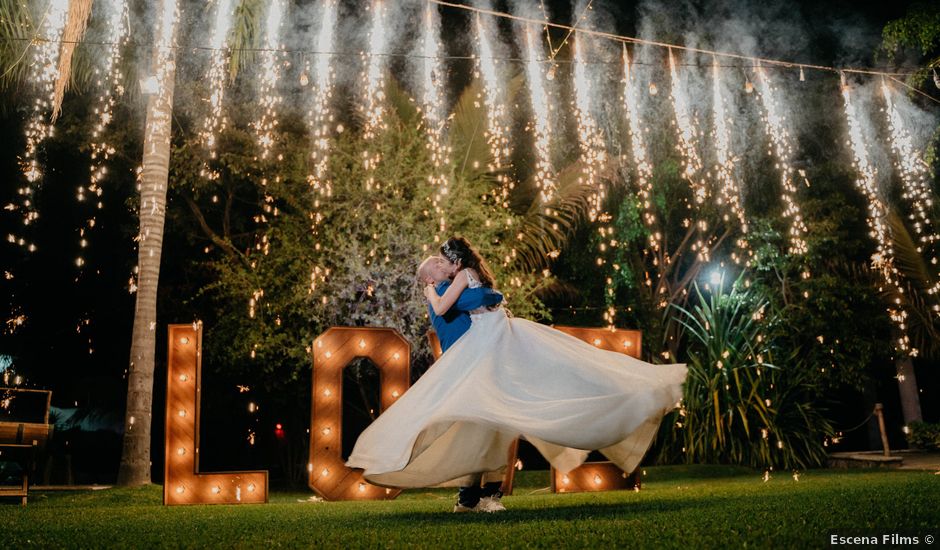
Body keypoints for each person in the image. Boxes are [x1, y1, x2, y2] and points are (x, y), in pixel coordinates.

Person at [346, 237, 687, 513]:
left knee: (495, 422)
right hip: (481, 349)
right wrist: (437, 291)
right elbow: (453, 306)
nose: (441, 264)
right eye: (436, 265)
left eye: (442, 260)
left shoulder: (463, 280)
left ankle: (478, 496)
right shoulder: (450, 284)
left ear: (456, 262)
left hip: (490, 345)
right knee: (482, 424)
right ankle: (475, 496)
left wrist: (488, 297)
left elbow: (483, 298)